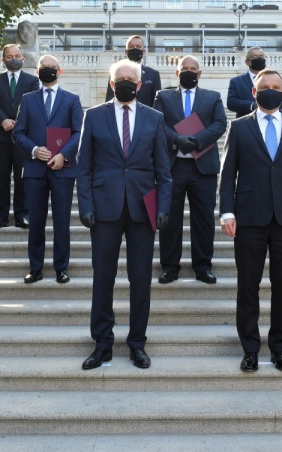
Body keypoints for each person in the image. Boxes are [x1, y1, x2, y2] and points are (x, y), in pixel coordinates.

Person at [219, 69, 282, 372]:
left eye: (276, 87)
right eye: (265, 87)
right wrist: (226, 211)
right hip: (249, 217)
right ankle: (250, 349)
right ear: (254, 92)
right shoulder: (238, 127)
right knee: (247, 286)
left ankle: (280, 349)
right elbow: (227, 175)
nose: (271, 91)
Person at [78, 59, 172, 370]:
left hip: (142, 209)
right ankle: (102, 343)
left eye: (132, 78)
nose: (126, 82)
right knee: (102, 279)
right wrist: (86, 206)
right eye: (121, 78)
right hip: (104, 209)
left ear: (141, 84)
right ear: (111, 82)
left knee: (141, 280)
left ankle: (137, 343)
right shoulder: (93, 116)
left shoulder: (155, 118)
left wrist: (162, 208)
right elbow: (84, 167)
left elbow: (164, 171)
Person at [153, 55, 227, 284]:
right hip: (171, 167)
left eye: (193, 68)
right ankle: (169, 266)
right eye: (184, 68)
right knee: (169, 219)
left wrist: (196, 140)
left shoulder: (212, 97)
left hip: (202, 168)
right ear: (176, 73)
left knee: (204, 219)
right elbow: (156, 123)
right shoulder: (163, 96)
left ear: (200, 73)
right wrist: (176, 139)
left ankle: (203, 266)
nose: (188, 71)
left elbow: (220, 123)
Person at [12, 55, 83, 284]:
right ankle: (35, 267)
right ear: (37, 71)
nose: (48, 71)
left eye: (52, 68)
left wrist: (64, 155)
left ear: (59, 71)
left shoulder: (72, 99)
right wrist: (34, 150)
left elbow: (78, 133)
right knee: (36, 222)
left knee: (62, 221)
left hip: (63, 169)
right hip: (35, 169)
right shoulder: (28, 99)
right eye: (44, 68)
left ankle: (61, 267)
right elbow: (18, 133)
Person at [0, 44, 40, 229]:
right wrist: (3, 120)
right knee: (1, 177)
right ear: (3, 60)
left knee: (21, 176)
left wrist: (18, 122)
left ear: (23, 59)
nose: (14, 59)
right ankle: (1, 217)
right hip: (1, 135)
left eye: (17, 55)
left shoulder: (33, 80)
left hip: (23, 137)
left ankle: (22, 215)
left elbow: (33, 103)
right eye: (9, 56)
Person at [103, 35, 162, 107]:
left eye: (138, 46)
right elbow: (109, 99)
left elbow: (157, 103)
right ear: (126, 51)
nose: (135, 48)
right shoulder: (115, 72)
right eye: (131, 46)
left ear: (143, 51)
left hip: (146, 116)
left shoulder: (153, 74)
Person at [227, 47, 269, 118]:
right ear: (247, 62)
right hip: (246, 123)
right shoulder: (236, 82)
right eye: (254, 57)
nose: (258, 59)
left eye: (261, 57)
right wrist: (252, 105)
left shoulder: (275, 79)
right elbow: (231, 103)